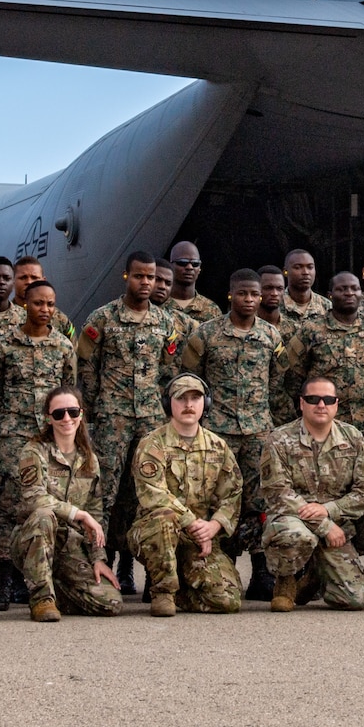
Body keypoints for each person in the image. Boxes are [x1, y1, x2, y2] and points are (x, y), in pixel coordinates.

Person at [277, 271, 364, 598]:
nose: (348, 293)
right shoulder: (310, 331)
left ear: (361, 293)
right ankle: (313, 567)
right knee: (321, 492)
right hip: (324, 421)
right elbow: (291, 377)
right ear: (329, 293)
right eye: (341, 288)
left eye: (353, 288)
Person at [75, 251, 186, 595]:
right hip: (113, 419)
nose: (146, 283)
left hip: (151, 420)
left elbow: (169, 372)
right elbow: (87, 368)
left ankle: (145, 568)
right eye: (139, 276)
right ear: (126, 277)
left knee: (147, 495)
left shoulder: (167, 323)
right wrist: (96, 408)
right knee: (103, 493)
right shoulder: (103, 319)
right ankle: (99, 561)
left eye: (151, 277)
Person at [180, 268, 285, 600]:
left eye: (255, 295)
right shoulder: (205, 334)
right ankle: (218, 565)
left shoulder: (271, 337)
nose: (250, 300)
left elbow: (278, 385)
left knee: (258, 502)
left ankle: (261, 572)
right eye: (243, 294)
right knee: (217, 500)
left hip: (257, 432)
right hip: (217, 433)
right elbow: (190, 380)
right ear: (230, 295)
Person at [0, 278, 77, 610]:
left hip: (49, 438)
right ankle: (3, 583)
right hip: (14, 438)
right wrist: (10, 422)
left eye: (51, 304)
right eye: (38, 303)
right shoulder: (4, 346)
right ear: (24, 304)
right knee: (8, 509)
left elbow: (69, 391)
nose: (45, 310)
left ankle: (37, 580)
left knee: (45, 504)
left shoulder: (64, 347)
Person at [258, 374, 364, 611]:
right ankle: (286, 581)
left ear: (336, 404)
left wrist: (328, 510)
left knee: (355, 598)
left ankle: (315, 576)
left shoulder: (353, 438)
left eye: (328, 399)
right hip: (292, 520)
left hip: (337, 524)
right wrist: (323, 525)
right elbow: (277, 493)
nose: (321, 405)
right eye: (313, 399)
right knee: (296, 535)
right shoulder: (279, 439)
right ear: (301, 403)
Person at [127, 374, 243, 616]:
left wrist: (214, 526)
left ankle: (180, 589)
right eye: (182, 399)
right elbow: (153, 494)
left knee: (227, 600)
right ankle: (163, 593)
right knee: (165, 517)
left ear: (206, 404)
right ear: (169, 404)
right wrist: (191, 522)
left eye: (195, 398)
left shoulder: (217, 446)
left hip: (199, 538)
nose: (189, 405)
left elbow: (232, 494)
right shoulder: (153, 444)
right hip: (155, 532)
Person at [9, 388, 123, 620]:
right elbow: (33, 497)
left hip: (71, 545)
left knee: (111, 604)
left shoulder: (88, 458)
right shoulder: (34, 451)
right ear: (48, 418)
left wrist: (98, 559)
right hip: (34, 538)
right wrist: (77, 514)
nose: (67, 419)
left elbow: (96, 514)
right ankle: (42, 599)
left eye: (72, 412)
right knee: (43, 515)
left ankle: (58, 588)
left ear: (81, 414)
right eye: (59, 413)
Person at [0, 255, 74, 344]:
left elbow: (73, 350)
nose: (29, 282)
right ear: (13, 281)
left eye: (34, 277)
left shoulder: (59, 319)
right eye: (23, 277)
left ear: (43, 280)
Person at [168, 241, 221, 324]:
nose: (189, 267)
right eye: (182, 262)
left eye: (195, 264)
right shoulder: (157, 304)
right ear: (170, 266)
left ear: (199, 269)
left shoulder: (212, 310)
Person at [281, 249, 327, 321]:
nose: (306, 272)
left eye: (310, 267)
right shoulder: (276, 305)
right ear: (285, 272)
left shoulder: (326, 307)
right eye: (298, 267)